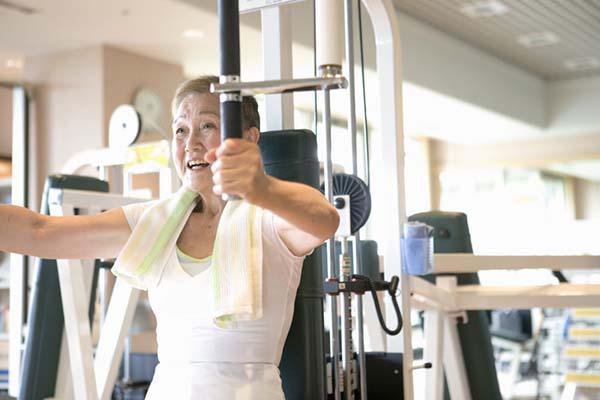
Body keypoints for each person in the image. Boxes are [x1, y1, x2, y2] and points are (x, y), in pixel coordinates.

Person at [0, 75, 339, 399]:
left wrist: (261, 187)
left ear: (249, 140)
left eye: (207, 126)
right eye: (180, 130)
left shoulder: (267, 220)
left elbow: (324, 220)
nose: (190, 143)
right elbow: (40, 233)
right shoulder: (152, 222)